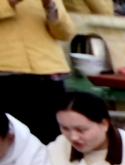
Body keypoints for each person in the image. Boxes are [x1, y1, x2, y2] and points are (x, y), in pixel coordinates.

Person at [0, 0, 73, 144]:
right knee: (11, 141)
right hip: (6, 73)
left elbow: (65, 33)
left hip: (48, 72)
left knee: (53, 141)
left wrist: (50, 6)